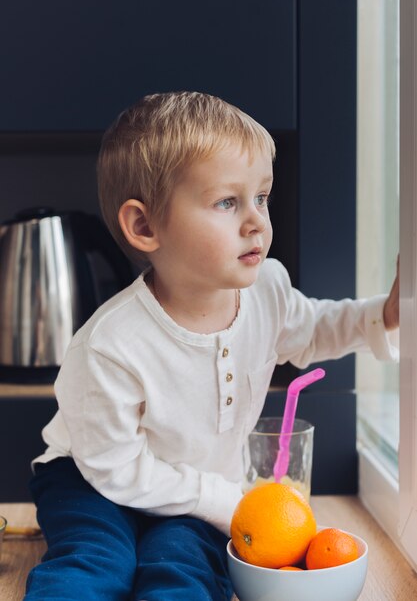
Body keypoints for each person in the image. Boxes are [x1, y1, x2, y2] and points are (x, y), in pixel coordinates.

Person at [24, 91, 399, 601]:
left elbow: (316, 328)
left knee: (183, 563)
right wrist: (218, 498)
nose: (256, 222)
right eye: (228, 201)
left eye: (261, 197)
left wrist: (386, 315)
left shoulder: (267, 289)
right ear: (145, 226)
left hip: (196, 485)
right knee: (98, 557)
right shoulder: (111, 344)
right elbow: (115, 466)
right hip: (90, 478)